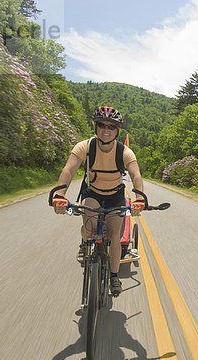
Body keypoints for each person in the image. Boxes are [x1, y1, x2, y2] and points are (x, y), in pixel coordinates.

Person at [51, 106, 145, 296]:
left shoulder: (125, 152)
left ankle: (114, 276)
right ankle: (85, 243)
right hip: (92, 193)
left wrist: (140, 199)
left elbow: (136, 176)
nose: (106, 130)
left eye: (111, 126)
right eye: (101, 125)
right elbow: (69, 169)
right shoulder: (84, 147)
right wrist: (60, 195)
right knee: (90, 226)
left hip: (115, 195)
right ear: (95, 126)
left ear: (117, 130)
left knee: (115, 237)